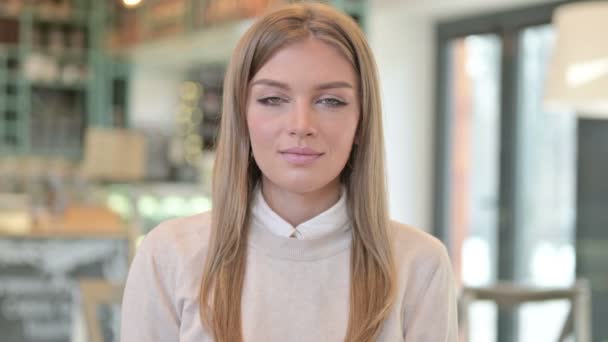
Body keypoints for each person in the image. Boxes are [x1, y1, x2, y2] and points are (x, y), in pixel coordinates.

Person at [120, 2, 458, 342]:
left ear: (362, 122)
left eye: (330, 101)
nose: (301, 125)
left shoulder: (419, 265)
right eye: (272, 99)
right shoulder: (169, 255)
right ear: (242, 116)